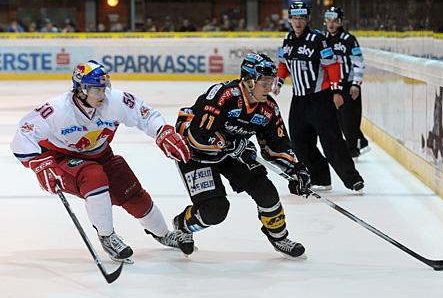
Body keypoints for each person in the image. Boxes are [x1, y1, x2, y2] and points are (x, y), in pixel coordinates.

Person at [10, 60, 191, 263]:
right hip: (63, 159)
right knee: (94, 177)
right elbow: (24, 131)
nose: (102, 94)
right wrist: (39, 163)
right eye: (96, 89)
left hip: (102, 155)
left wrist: (162, 131)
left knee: (132, 193)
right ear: (80, 89)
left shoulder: (116, 100)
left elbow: (145, 114)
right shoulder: (57, 109)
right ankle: (107, 236)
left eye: (103, 88)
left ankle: (163, 233)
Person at [172, 53, 311, 258]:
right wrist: (232, 146)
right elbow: (198, 135)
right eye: (264, 83)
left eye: (271, 82)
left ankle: (279, 237)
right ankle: (183, 225)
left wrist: (295, 170)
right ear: (248, 80)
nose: (269, 88)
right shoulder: (223, 95)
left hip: (230, 152)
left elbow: (277, 144)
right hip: (195, 153)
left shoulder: (268, 109)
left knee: (266, 191)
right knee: (215, 211)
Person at [273, 1, 364, 192]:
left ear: (307, 19)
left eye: (301, 18)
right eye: (294, 18)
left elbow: (332, 66)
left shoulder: (318, 39)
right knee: (299, 142)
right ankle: (320, 177)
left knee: (332, 141)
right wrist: (279, 81)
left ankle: (352, 178)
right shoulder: (287, 40)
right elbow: (283, 64)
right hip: (298, 100)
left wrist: (337, 91)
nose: (297, 22)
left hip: (320, 98)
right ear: (289, 19)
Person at [324, 6, 369, 158]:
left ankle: (352, 149)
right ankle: (359, 142)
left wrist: (356, 84)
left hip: (349, 86)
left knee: (349, 119)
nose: (331, 24)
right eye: (328, 20)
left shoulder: (349, 40)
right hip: (332, 86)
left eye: (335, 21)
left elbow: (358, 62)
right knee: (338, 119)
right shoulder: (324, 40)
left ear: (341, 21)